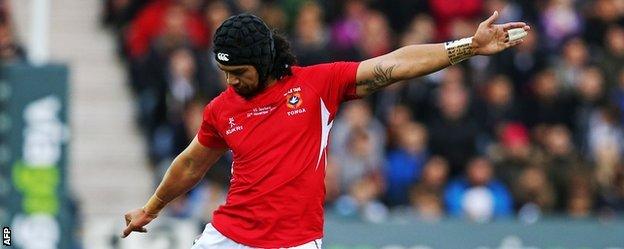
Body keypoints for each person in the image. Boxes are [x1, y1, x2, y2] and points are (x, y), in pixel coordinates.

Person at [121, 12, 529, 248]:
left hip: (295, 243)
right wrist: (151, 208)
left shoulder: (317, 85)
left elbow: (394, 64)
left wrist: (467, 47)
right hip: (230, 236)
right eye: (225, 72)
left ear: (263, 62)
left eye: (239, 73)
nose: (231, 82)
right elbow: (191, 163)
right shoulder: (221, 109)